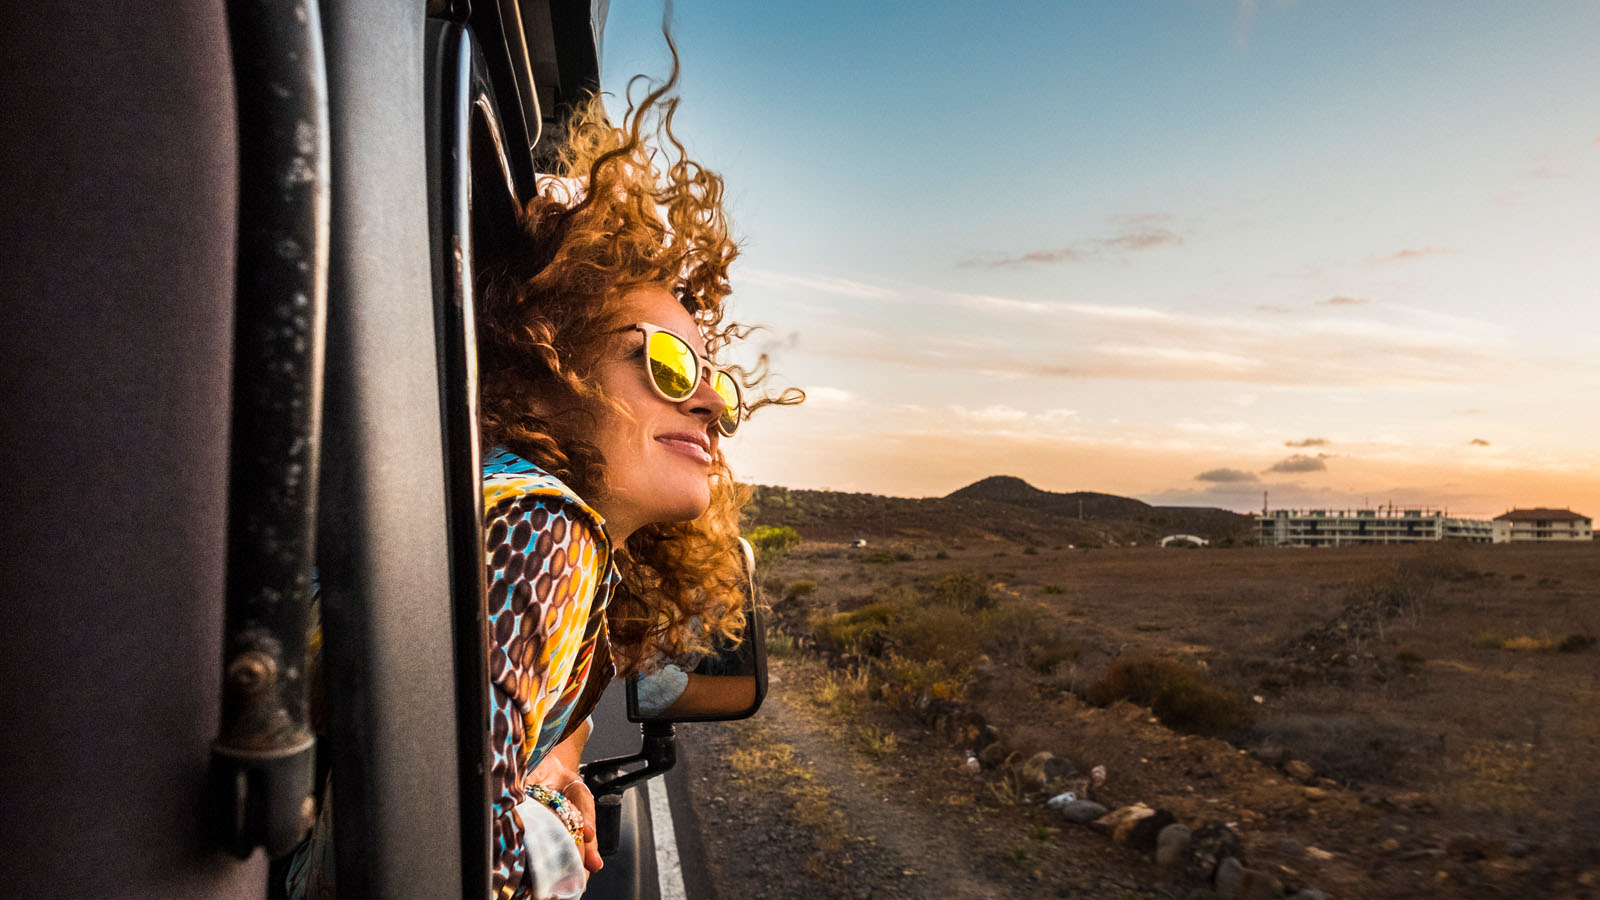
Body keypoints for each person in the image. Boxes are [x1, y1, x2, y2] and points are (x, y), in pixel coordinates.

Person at [287, 63, 799, 900]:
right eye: (669, 365)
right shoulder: (543, 527)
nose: (711, 403)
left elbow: (451, 759)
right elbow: (446, 855)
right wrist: (550, 837)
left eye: (718, 383)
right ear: (542, 369)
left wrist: (549, 761)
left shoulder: (492, 516)